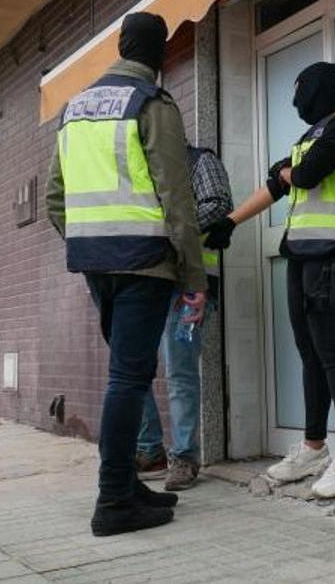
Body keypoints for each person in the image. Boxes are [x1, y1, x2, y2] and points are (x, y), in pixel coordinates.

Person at [46, 12, 207, 536]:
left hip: (97, 264)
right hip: (145, 261)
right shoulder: (152, 104)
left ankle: (129, 486)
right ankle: (114, 500)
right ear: (159, 57)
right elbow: (176, 195)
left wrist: (91, 239)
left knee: (128, 373)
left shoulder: (75, 108)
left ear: (120, 47)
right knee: (128, 378)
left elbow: (54, 198)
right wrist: (194, 276)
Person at [207, 62, 335, 498]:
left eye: (300, 90)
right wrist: (229, 221)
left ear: (317, 90)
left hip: (334, 255)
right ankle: (314, 447)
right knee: (310, 354)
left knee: (333, 353)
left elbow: (302, 176)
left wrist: (287, 172)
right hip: (302, 256)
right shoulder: (308, 138)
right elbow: (276, 186)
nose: (295, 100)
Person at [135, 147, 230, 490]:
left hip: (190, 286)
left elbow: (218, 203)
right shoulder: (139, 168)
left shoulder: (198, 161)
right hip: (146, 282)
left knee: (180, 371)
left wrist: (169, 231)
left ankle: (185, 457)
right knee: (133, 370)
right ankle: (149, 452)